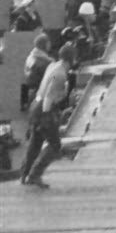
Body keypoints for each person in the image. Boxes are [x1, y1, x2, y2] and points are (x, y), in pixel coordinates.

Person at [19, 43, 76, 188]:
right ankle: (35, 174)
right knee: (55, 144)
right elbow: (50, 98)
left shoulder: (52, 66)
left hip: (35, 106)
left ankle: (24, 174)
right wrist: (48, 117)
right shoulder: (61, 74)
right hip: (45, 110)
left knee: (35, 143)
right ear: (72, 59)